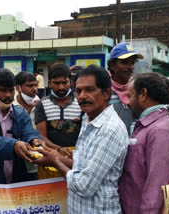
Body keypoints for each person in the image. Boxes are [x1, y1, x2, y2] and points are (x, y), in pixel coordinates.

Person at [33, 65, 129, 213]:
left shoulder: (110, 129)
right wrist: (54, 155)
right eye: (78, 91)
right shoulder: (87, 119)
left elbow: (84, 185)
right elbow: (80, 166)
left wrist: (55, 161)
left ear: (106, 93)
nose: (82, 96)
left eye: (89, 90)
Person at [119, 72, 169, 214]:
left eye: (130, 96)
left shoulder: (161, 130)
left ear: (143, 94)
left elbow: (157, 187)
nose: (127, 103)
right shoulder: (150, 126)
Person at [34, 63, 82, 156]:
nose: (61, 87)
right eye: (56, 83)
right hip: (50, 155)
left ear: (71, 82)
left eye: (64, 82)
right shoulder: (42, 104)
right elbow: (42, 136)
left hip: (76, 155)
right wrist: (59, 149)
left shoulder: (80, 102)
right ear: (49, 83)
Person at [108, 42, 144, 135]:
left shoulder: (138, 89)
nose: (130, 67)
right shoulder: (102, 89)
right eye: (124, 62)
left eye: (132, 62)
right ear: (112, 65)